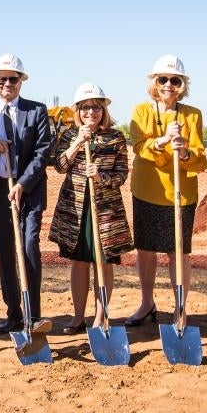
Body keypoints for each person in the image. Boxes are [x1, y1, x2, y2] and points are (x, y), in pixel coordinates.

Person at [126, 55, 207, 326]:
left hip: (180, 194)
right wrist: (161, 142)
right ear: (154, 82)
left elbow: (200, 159)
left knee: (179, 252)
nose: (169, 85)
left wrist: (183, 152)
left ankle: (180, 308)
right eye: (163, 79)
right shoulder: (141, 111)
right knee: (146, 251)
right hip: (147, 190)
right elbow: (139, 146)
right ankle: (147, 303)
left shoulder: (191, 115)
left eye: (175, 80)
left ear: (182, 84)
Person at [0, 53, 53, 334]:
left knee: (29, 247)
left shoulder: (37, 111)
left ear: (22, 81)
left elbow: (43, 151)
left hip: (28, 190)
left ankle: (34, 315)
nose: (8, 83)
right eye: (2, 78)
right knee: (5, 252)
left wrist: (23, 183)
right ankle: (14, 314)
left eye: (13, 79)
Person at [48, 83, 134, 334]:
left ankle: (100, 316)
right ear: (78, 110)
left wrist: (101, 177)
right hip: (75, 209)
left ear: (103, 110)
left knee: (103, 263)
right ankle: (77, 317)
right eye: (85, 107)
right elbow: (60, 166)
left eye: (96, 107)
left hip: (105, 210)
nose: (91, 112)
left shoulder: (115, 137)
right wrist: (77, 143)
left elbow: (121, 175)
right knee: (78, 262)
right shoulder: (67, 135)